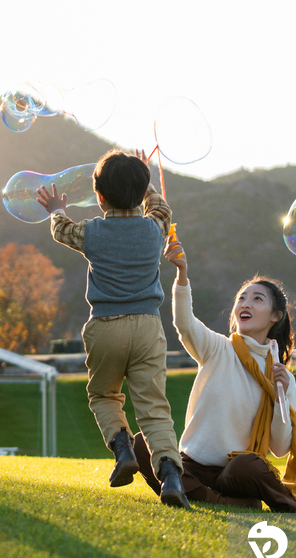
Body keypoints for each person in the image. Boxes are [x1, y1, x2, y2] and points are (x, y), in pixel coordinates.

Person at [133, 231, 296, 518]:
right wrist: (182, 274)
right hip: (189, 465)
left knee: (250, 465)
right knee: (142, 443)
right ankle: (221, 502)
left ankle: (292, 507)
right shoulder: (218, 348)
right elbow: (184, 323)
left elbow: (279, 448)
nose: (245, 303)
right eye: (241, 298)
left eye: (257, 299)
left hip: (233, 474)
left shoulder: (283, 378)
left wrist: (279, 395)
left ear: (275, 316)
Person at [36, 149, 190, 509]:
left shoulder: (92, 232)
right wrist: (148, 181)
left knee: (104, 396)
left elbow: (61, 230)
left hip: (105, 326)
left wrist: (56, 209)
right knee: (154, 408)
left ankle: (123, 450)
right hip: (149, 327)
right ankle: (171, 476)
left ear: (99, 197)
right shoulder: (155, 229)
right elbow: (161, 207)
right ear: (141, 194)